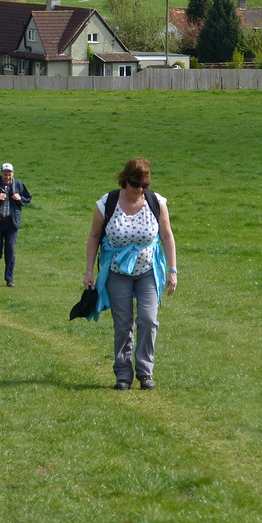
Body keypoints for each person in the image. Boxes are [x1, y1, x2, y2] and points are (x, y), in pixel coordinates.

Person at [84, 157, 178, 390]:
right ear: (126, 181)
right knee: (123, 324)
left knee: (148, 320)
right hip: (116, 272)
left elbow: (167, 236)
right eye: (136, 185)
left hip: (147, 270)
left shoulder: (156, 202)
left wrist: (172, 270)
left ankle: (145, 373)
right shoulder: (108, 203)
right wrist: (88, 272)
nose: (140, 190)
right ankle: (123, 374)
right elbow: (94, 236)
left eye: (145, 185)